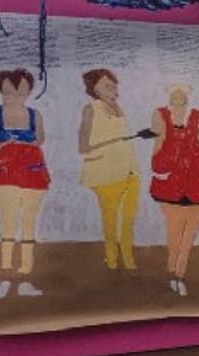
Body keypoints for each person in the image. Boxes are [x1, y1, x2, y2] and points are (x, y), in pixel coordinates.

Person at [0, 68, 50, 300]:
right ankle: (6, 273)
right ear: (1, 91)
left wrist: (22, 143)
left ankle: (26, 274)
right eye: (8, 92)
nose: (15, 98)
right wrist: (0, 146)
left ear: (28, 93)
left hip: (33, 173)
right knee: (8, 222)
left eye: (21, 93)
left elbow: (40, 140)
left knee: (29, 222)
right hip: (2, 174)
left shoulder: (35, 115)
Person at [148, 84, 199, 297]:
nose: (178, 95)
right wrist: (157, 169)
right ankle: (172, 270)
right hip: (170, 180)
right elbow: (158, 144)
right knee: (174, 232)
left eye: (182, 92)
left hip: (198, 179)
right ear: (169, 94)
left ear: (188, 95)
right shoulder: (160, 114)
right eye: (174, 92)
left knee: (190, 234)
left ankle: (179, 274)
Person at [78, 68, 144, 272]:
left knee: (128, 220)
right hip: (105, 173)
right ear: (95, 89)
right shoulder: (91, 109)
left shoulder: (118, 107)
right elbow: (83, 147)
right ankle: (112, 261)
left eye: (113, 82)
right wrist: (117, 140)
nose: (112, 85)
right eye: (105, 83)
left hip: (130, 171)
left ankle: (129, 260)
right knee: (110, 220)